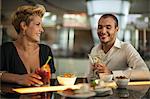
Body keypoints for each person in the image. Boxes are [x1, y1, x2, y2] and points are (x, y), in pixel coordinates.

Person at [0, 4, 56, 86]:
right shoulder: (6, 49)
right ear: (24, 26)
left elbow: (50, 80)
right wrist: (19, 78)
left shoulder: (46, 51)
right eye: (38, 24)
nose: (42, 30)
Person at [89, 14, 150, 80]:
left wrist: (112, 73)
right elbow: (89, 76)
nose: (103, 31)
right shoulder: (95, 50)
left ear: (116, 29)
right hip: (99, 89)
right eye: (100, 27)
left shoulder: (126, 48)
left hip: (122, 90)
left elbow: (145, 73)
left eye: (108, 27)